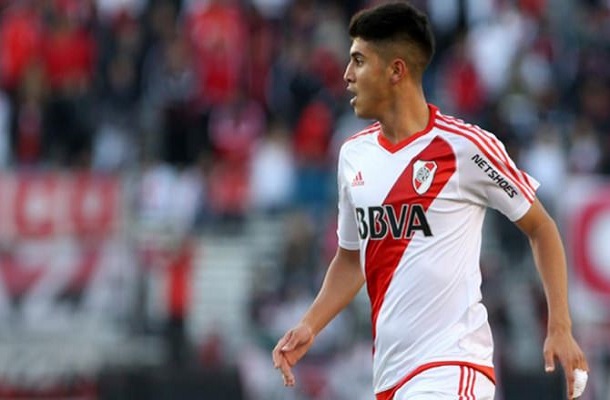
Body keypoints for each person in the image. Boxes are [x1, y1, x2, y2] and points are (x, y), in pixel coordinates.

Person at [271, 2, 589, 400]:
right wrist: (310, 324)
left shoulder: (466, 147)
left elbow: (541, 226)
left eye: (359, 61)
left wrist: (560, 326)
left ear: (396, 71)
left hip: (453, 366)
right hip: (390, 376)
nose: (347, 74)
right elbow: (352, 259)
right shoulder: (353, 155)